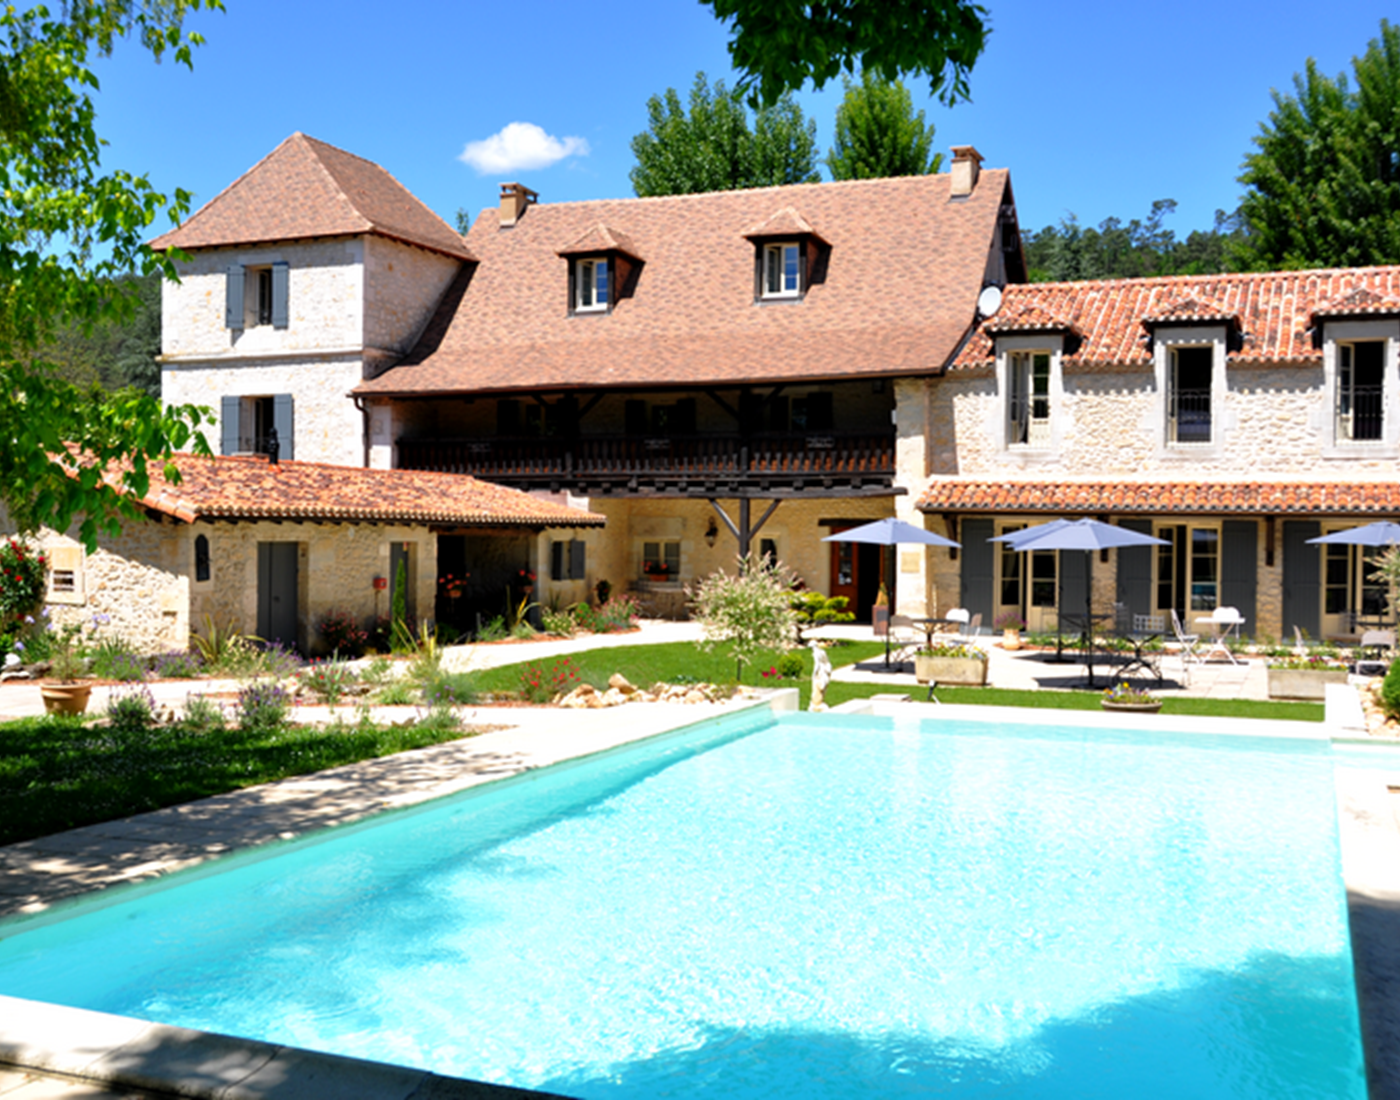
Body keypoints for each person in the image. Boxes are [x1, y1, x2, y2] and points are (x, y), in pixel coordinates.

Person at [809, 640, 833, 711]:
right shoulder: (821, 652)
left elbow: (817, 665)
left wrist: (814, 673)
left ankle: (817, 703)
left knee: (818, 686)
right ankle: (817, 702)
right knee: (820, 687)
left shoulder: (817, 653)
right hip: (823, 671)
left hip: (821, 672)